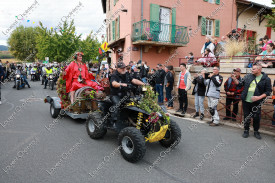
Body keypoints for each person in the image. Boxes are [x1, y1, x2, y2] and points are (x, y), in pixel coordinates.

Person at [235, 64, 272, 139]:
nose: (252, 70)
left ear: (259, 70)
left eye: (254, 69)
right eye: (252, 69)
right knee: (246, 116)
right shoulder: (248, 76)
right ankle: (246, 130)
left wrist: (259, 97)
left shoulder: (266, 79)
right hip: (246, 100)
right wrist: (234, 78)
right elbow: (240, 84)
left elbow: (268, 91)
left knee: (256, 117)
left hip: (257, 102)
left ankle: (256, 131)